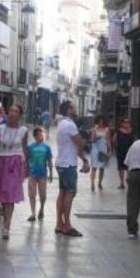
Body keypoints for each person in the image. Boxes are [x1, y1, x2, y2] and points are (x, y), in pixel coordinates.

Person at [0, 104, 30, 240]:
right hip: (1, 163)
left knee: (10, 196)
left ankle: (6, 227)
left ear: (20, 115)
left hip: (15, 164)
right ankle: (5, 218)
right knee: (3, 195)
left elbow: (25, 149)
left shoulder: (24, 131)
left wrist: (26, 168)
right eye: (11, 110)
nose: (13, 113)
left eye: (16, 111)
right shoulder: (0, 129)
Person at [55, 100, 90, 237]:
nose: (75, 109)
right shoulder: (70, 125)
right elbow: (79, 144)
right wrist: (85, 160)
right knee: (70, 193)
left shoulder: (61, 124)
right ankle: (67, 225)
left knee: (62, 193)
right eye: (73, 107)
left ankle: (59, 223)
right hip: (68, 164)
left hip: (61, 163)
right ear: (69, 110)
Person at [27, 127, 53, 222]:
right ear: (35, 136)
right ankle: (33, 213)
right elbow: (27, 160)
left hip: (43, 174)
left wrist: (51, 173)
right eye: (39, 134)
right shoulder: (30, 147)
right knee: (32, 194)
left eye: (43, 134)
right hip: (32, 173)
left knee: (43, 195)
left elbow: (49, 160)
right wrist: (26, 171)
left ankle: (41, 209)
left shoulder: (47, 147)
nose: (41, 136)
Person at [89, 117, 112, 192]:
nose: (100, 123)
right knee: (94, 167)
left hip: (103, 149)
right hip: (95, 149)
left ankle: (100, 183)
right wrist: (97, 138)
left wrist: (109, 149)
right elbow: (92, 140)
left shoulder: (107, 130)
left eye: (102, 121)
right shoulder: (94, 129)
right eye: (99, 122)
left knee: (102, 168)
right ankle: (92, 183)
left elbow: (108, 140)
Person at [114, 119, 135, 190]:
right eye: (125, 122)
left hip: (129, 151)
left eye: (128, 122)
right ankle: (122, 183)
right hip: (120, 151)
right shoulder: (118, 131)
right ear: (122, 123)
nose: (126, 123)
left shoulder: (132, 131)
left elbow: (134, 140)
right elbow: (113, 139)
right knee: (121, 167)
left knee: (129, 167)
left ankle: (129, 182)